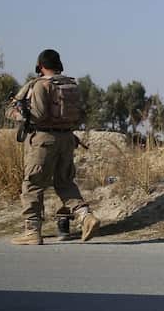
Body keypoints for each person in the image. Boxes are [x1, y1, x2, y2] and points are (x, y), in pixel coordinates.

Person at [7, 49, 101, 245]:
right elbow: (79, 115)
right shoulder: (71, 85)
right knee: (65, 183)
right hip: (67, 139)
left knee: (33, 184)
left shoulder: (40, 85)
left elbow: (39, 114)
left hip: (43, 140)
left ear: (40, 66)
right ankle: (86, 216)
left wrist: (18, 112)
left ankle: (32, 231)